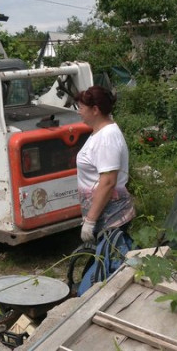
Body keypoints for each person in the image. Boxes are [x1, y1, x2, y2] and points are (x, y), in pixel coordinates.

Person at [75, 85, 136, 243]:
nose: (78, 111)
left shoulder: (107, 137)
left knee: (115, 261)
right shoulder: (100, 132)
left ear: (95, 110)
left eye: (81, 108)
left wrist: (90, 221)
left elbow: (108, 181)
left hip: (111, 217)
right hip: (105, 216)